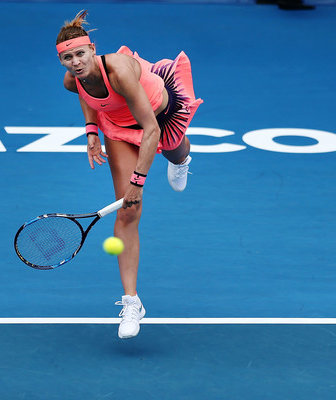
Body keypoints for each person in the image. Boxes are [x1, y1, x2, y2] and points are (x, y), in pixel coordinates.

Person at [56, 10, 203, 339]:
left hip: (157, 116)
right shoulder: (72, 79)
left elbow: (151, 129)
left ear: (92, 49)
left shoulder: (119, 71)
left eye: (81, 54)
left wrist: (139, 182)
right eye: (68, 58)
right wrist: (91, 130)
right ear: (63, 62)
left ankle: (181, 160)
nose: (76, 62)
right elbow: (85, 94)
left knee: (174, 149)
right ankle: (132, 301)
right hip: (119, 129)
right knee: (128, 211)